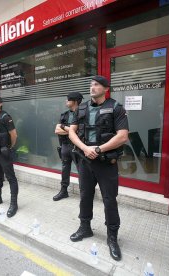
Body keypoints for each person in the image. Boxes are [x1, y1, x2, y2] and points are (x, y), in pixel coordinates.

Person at [68, 76, 129, 261]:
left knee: (110, 200)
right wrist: (86, 148)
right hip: (85, 161)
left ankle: (112, 237)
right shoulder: (82, 107)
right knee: (85, 195)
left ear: (105, 88)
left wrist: (98, 149)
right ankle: (85, 227)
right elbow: (71, 131)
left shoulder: (116, 107)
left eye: (96, 85)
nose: (92, 87)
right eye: (91, 85)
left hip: (106, 163)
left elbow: (123, 136)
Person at [53, 92, 83, 201]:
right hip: (65, 145)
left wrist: (64, 128)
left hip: (78, 146)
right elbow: (56, 130)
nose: (66, 101)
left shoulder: (83, 114)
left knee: (82, 170)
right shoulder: (64, 114)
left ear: (75, 101)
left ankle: (85, 192)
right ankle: (63, 190)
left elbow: (81, 131)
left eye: (68, 100)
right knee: (65, 168)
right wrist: (71, 130)